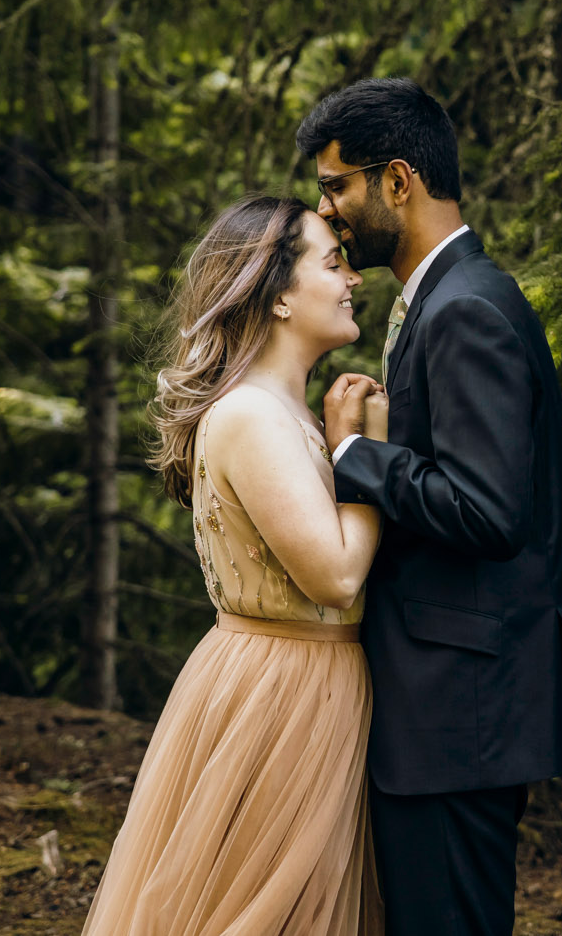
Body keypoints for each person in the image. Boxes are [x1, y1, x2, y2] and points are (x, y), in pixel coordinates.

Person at [300, 78, 562, 936]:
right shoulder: (448, 298)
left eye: (337, 184)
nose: (327, 209)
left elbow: (489, 511)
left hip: (460, 712)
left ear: (399, 180)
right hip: (450, 703)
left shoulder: (465, 310)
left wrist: (355, 457)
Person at [82, 194, 390, 936]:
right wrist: (366, 454)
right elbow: (338, 576)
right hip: (283, 694)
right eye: (332, 261)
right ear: (278, 294)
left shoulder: (282, 411)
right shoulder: (251, 414)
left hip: (304, 681)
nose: (354, 279)